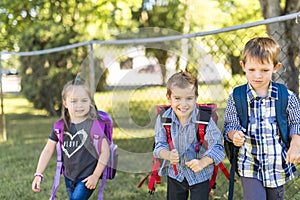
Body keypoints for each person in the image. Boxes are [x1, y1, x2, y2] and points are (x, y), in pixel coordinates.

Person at [224, 37, 300, 199]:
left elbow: (296, 123)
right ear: (243, 66)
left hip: (276, 164)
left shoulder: (287, 96)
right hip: (249, 162)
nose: (257, 76)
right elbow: (230, 125)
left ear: (275, 67)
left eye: (264, 70)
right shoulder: (236, 97)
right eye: (252, 70)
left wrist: (296, 144)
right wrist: (234, 135)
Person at [32, 77, 110, 200]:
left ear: (90, 101)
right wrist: (38, 174)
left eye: (84, 100)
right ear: (65, 103)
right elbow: (47, 150)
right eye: (74, 101)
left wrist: (95, 176)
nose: (79, 105)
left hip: (87, 177)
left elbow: (105, 152)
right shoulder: (60, 126)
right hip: (68, 177)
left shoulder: (94, 125)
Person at [153, 71, 225, 200]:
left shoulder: (204, 119)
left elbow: (218, 148)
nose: (184, 104)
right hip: (175, 175)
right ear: (169, 97)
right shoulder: (164, 118)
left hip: (200, 175)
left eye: (189, 98)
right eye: (177, 98)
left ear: (196, 97)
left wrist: (203, 162)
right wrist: (168, 155)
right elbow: (159, 146)